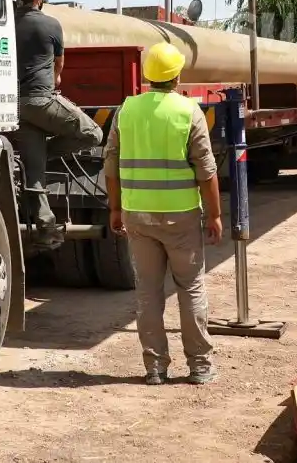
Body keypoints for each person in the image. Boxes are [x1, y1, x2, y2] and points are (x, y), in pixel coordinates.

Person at [105, 42, 224, 386]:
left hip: (138, 215)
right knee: (191, 287)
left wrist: (115, 208)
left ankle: (155, 368)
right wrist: (215, 215)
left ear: (147, 75)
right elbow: (206, 170)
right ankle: (200, 367)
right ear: (176, 75)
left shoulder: (126, 110)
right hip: (181, 217)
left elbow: (110, 165)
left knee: (148, 291)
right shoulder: (188, 112)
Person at [10, 0, 106, 248]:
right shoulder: (51, 24)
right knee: (93, 134)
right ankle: (42, 156)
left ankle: (46, 227)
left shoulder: (4, 25)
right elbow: (58, 68)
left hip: (15, 106)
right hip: (41, 100)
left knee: (35, 172)